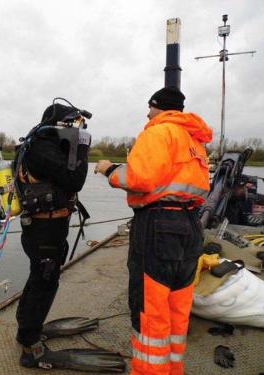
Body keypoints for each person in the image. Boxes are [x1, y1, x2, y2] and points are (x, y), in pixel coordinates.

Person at [95, 86, 213, 375]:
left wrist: (109, 169)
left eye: (149, 108)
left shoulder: (158, 132)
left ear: (158, 106)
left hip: (158, 224)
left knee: (151, 309)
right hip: (190, 224)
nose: (147, 114)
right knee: (177, 306)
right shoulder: (193, 141)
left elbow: (139, 178)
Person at [14, 102, 91, 368]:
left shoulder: (38, 144)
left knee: (39, 276)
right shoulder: (41, 148)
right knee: (46, 281)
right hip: (44, 228)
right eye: (72, 124)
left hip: (43, 227)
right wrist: (81, 146)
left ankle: (26, 327)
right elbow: (75, 180)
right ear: (59, 123)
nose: (76, 129)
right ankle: (30, 346)